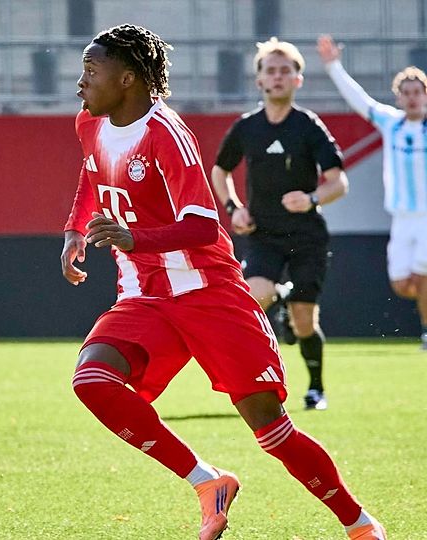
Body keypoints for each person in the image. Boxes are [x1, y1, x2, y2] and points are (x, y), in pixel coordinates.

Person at [63, 24, 384, 539]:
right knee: (92, 381)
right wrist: (75, 230)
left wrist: (131, 237)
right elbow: (90, 172)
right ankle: (206, 480)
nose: (80, 83)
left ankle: (360, 523)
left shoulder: (166, 134)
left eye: (90, 71)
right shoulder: (90, 123)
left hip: (208, 294)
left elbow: (202, 225)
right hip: (145, 295)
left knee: (271, 428)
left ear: (127, 79)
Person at [210, 37, 349, 411]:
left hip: (307, 237)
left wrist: (313, 198)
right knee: (254, 296)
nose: (277, 77)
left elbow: (339, 181)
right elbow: (219, 170)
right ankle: (260, 380)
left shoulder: (308, 126)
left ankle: (316, 388)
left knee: (305, 321)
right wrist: (233, 207)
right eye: (270, 71)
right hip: (263, 236)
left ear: (298, 80)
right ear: (259, 81)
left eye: (285, 71)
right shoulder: (246, 127)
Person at [317, 34, 427, 351]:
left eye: (417, 92)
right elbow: (360, 100)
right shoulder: (391, 123)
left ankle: (425, 332)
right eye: (405, 93)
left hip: (425, 216)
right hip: (401, 217)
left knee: (421, 279)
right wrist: (334, 66)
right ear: (398, 96)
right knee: (403, 284)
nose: (412, 98)